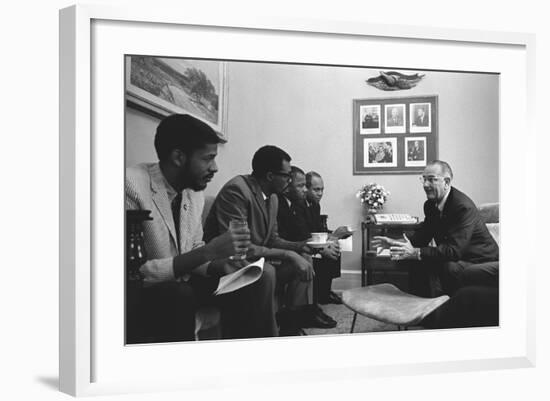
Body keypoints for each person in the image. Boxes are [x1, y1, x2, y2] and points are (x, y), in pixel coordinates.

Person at [125, 114, 277, 342]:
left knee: (259, 277)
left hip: (185, 282)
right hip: (149, 291)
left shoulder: (192, 192)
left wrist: (221, 265)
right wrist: (210, 252)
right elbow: (132, 273)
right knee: (179, 295)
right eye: (208, 158)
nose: (215, 168)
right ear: (178, 157)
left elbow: (194, 247)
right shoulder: (131, 186)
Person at [203, 145, 332, 335]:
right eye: (287, 176)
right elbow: (239, 247)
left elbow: (272, 239)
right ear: (271, 176)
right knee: (269, 270)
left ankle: (291, 325)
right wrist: (288, 254)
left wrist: (300, 246)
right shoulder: (237, 190)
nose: (290, 180)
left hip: (258, 258)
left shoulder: (272, 197)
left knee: (304, 258)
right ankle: (267, 336)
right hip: (229, 262)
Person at [372, 160, 499, 297]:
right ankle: (420, 309)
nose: (425, 185)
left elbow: (453, 251)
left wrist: (415, 252)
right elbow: (423, 237)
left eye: (432, 180)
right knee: (415, 261)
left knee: (448, 267)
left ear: (447, 182)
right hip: (458, 256)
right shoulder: (430, 205)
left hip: (480, 261)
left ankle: (445, 312)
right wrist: (397, 243)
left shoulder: (462, 207)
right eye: (424, 179)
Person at [276, 166, 338, 327]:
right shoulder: (281, 203)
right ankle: (308, 310)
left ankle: (319, 298)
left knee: (332, 245)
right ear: (287, 185)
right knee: (309, 256)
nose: (304, 190)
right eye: (301, 186)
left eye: (322, 189)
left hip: (297, 244)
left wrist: (330, 239)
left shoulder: (294, 203)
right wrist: (318, 247)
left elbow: (311, 231)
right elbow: (297, 234)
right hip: (285, 250)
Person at [305, 171, 353, 304]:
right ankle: (322, 294)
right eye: (316, 189)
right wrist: (332, 237)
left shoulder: (315, 205)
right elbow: (304, 234)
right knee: (331, 247)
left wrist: (335, 236)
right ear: (306, 188)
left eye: (322, 189)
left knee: (335, 244)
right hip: (306, 244)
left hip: (315, 241)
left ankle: (325, 291)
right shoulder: (300, 205)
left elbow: (318, 230)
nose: (320, 193)